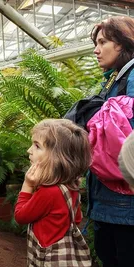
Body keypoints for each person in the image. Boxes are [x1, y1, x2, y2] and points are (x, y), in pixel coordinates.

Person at [88, 16, 134, 267]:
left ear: (124, 42)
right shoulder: (115, 80)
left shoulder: (132, 77)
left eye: (103, 42)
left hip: (125, 206)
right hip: (111, 202)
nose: (96, 49)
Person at [15, 119, 92, 266]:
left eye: (37, 146)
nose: (29, 150)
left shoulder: (49, 192)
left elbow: (20, 216)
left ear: (58, 158)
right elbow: (75, 219)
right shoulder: (71, 186)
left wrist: (27, 185)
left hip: (48, 258)